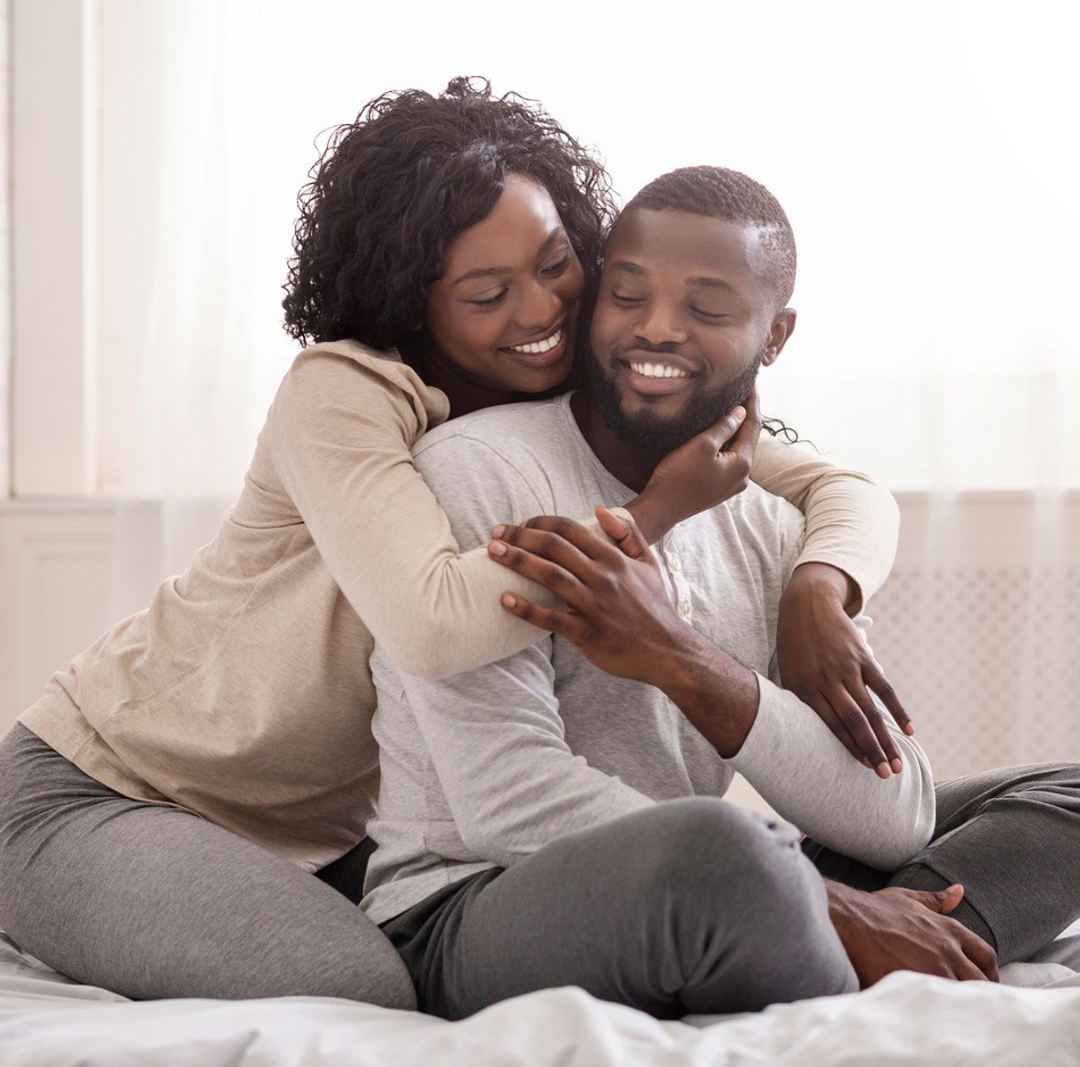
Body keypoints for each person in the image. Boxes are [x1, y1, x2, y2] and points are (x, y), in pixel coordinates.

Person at [0, 80, 899, 1007]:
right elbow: (434, 624)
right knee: (359, 991)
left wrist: (818, 588)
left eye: (556, 264)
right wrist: (655, 516)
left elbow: (841, 486)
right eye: (487, 292)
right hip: (116, 791)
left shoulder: (566, 394)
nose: (541, 310)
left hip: (327, 841)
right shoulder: (344, 392)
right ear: (411, 301)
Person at [362, 165, 1080, 1019]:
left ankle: (892, 947)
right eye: (627, 296)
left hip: (704, 874)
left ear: (774, 336)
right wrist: (832, 902)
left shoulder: (775, 527)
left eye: (706, 310)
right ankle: (860, 938)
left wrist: (683, 661)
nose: (656, 330)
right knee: (728, 858)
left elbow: (895, 821)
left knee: (1064, 795)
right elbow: (502, 803)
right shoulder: (481, 470)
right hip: (471, 902)